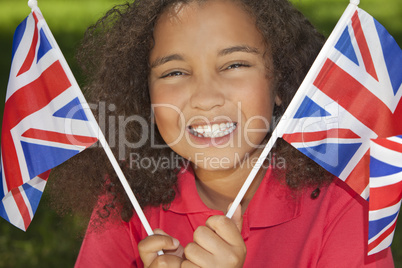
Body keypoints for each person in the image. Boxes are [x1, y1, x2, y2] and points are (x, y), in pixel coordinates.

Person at [51, 0, 395, 267]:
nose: (206, 98)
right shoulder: (125, 199)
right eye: (174, 72)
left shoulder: (344, 203)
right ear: (146, 96)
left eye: (234, 65)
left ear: (280, 81)